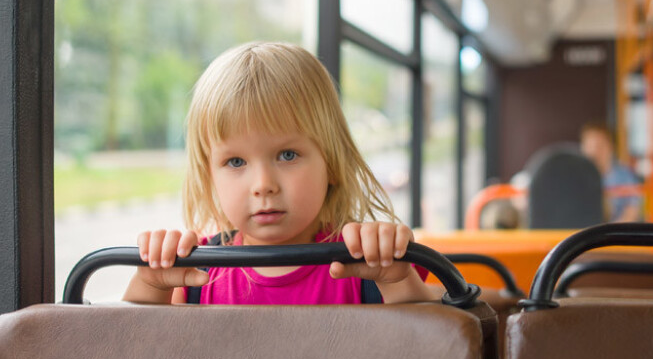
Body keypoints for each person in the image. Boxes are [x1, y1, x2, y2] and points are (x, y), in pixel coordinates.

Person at [123, 42, 440, 305]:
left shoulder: (368, 266)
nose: (263, 186)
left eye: (287, 155)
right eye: (235, 162)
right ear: (209, 176)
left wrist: (396, 279)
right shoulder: (194, 273)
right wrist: (152, 284)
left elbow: (430, 353)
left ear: (330, 162)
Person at [579, 123, 643, 222]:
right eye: (589, 146)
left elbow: (632, 211)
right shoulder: (577, 178)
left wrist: (610, 234)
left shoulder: (626, 177)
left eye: (600, 145)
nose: (594, 152)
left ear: (611, 147)